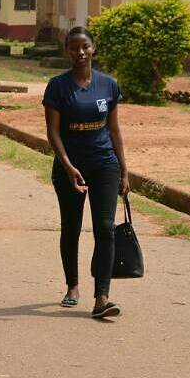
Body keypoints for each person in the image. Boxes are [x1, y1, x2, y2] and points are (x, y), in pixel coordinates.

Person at [43, 26, 130, 320]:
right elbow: (53, 133)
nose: (80, 52)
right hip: (69, 167)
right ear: (67, 51)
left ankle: (101, 296)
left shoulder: (109, 85)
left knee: (105, 227)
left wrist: (124, 171)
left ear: (93, 48)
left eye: (85, 46)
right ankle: (72, 285)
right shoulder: (57, 86)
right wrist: (69, 167)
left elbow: (114, 130)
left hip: (104, 164)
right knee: (71, 227)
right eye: (74, 47)